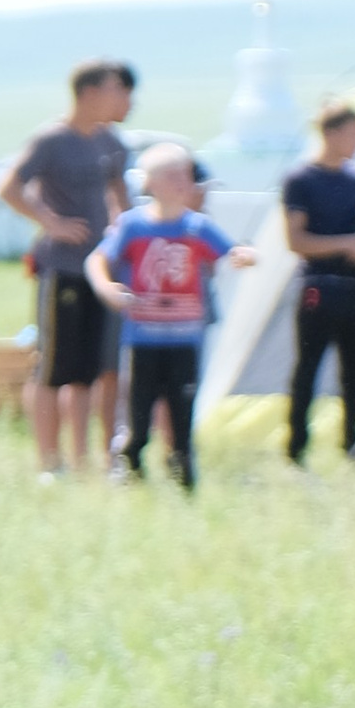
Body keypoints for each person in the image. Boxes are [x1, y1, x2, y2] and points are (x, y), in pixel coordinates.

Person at [88, 144, 252, 489]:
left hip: (185, 339)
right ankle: (130, 466)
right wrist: (107, 287)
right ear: (151, 183)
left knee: (181, 411)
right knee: (139, 412)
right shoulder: (133, 226)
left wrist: (244, 255)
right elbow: (98, 259)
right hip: (142, 339)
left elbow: (230, 250)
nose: (182, 182)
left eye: (185, 175)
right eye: (172, 175)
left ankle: (183, 475)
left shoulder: (197, 227)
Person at [1, 63, 134, 478]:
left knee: (91, 371)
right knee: (54, 367)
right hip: (63, 268)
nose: (124, 98)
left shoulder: (111, 142)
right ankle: (49, 463)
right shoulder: (51, 140)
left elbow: (121, 195)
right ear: (89, 92)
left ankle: (84, 460)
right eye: (116, 89)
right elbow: (10, 187)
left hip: (103, 270)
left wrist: (126, 236)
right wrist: (51, 222)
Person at [281, 103, 355, 466]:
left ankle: (352, 443)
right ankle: (297, 445)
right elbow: (296, 240)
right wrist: (346, 244)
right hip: (319, 286)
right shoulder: (301, 180)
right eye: (353, 133)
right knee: (308, 367)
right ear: (331, 133)